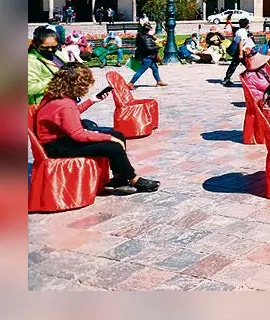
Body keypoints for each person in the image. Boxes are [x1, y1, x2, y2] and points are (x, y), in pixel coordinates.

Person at [34, 64, 160, 193]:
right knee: (113, 145)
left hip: (58, 140)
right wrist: (108, 138)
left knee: (118, 135)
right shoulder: (64, 104)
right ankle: (134, 179)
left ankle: (120, 178)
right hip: (57, 146)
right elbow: (78, 134)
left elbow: (69, 115)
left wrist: (92, 100)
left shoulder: (55, 96)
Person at [28, 26, 68, 105]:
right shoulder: (31, 61)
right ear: (35, 44)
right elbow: (30, 88)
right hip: (44, 106)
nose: (50, 50)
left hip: (61, 101)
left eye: (54, 47)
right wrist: (57, 81)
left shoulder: (57, 54)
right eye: (45, 47)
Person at [128, 23, 166, 89]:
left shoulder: (141, 36)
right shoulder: (146, 38)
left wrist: (153, 38)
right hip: (147, 57)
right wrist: (159, 46)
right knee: (140, 71)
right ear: (147, 31)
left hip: (148, 56)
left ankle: (159, 81)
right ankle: (131, 83)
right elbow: (149, 48)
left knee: (155, 68)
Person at [222, 18, 254, 86]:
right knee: (250, 66)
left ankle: (227, 78)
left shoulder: (239, 30)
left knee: (234, 65)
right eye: (248, 23)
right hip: (241, 51)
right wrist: (241, 54)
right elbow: (241, 43)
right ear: (246, 25)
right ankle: (247, 79)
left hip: (240, 51)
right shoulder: (243, 32)